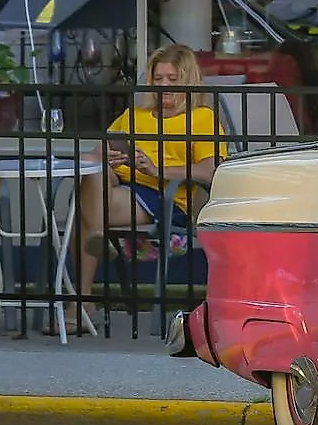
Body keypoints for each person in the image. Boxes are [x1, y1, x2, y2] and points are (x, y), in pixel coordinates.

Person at [78, 45, 229, 317]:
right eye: (158, 79)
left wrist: (157, 170)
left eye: (172, 80)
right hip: (119, 187)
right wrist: (106, 156)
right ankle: (96, 241)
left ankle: (79, 304)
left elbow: (210, 171)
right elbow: (97, 149)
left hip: (164, 194)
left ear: (187, 81)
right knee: (93, 167)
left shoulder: (202, 118)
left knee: (85, 217)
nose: (164, 87)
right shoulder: (135, 116)